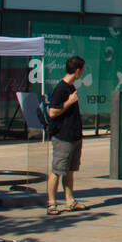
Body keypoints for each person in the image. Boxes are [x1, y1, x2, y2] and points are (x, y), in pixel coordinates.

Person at [46, 56, 89, 214]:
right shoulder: (61, 88)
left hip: (74, 135)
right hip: (63, 136)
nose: (83, 73)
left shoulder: (70, 87)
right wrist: (69, 102)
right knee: (57, 170)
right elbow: (52, 112)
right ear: (77, 70)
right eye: (82, 70)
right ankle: (52, 203)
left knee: (70, 170)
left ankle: (70, 200)